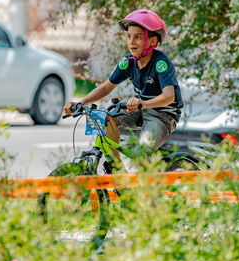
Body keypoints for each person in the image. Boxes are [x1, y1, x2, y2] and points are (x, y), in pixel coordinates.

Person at [64, 9, 183, 162]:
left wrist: (144, 103)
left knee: (140, 158)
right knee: (105, 118)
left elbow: (169, 96)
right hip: (140, 108)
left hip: (162, 115)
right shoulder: (128, 62)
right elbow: (106, 87)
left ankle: (149, 172)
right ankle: (116, 167)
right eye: (128, 36)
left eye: (138, 37)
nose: (131, 42)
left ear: (153, 41)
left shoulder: (161, 63)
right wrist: (82, 102)